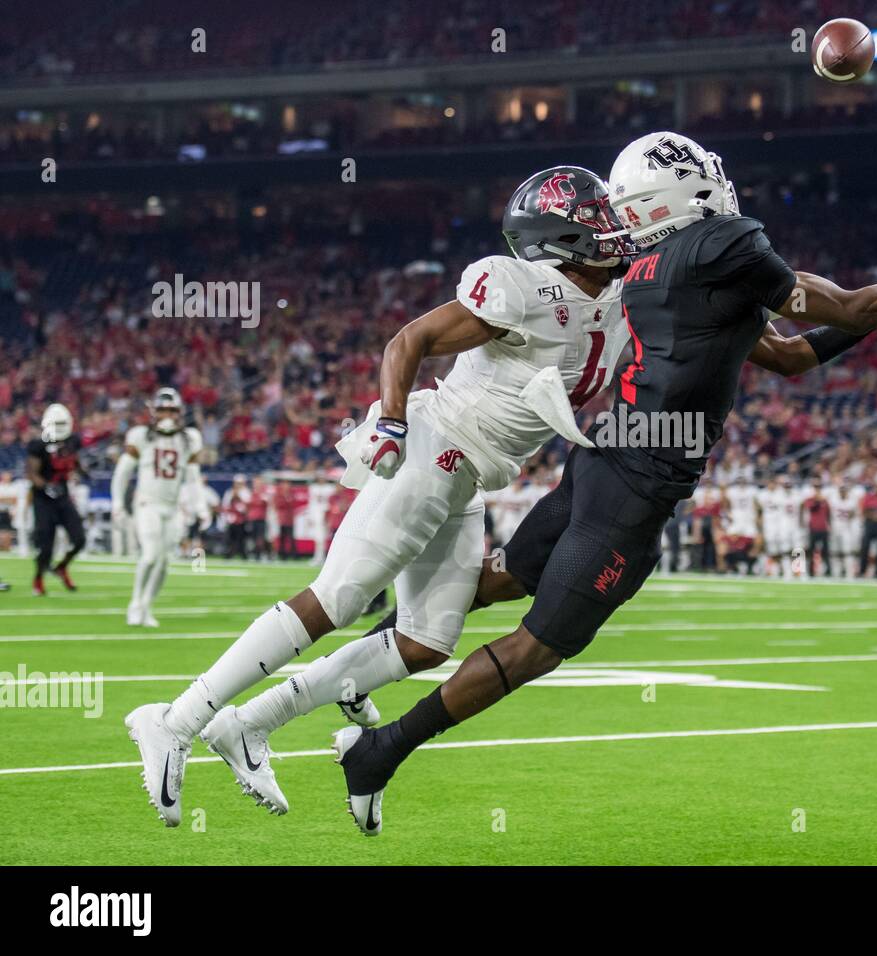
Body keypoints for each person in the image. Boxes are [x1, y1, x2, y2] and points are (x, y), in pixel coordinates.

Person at [333, 130, 877, 835]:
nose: (716, 176)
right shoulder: (729, 245)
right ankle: (380, 751)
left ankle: (359, 665)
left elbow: (796, 356)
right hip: (637, 490)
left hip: (599, 461)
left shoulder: (656, 262)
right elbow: (843, 310)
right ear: (681, 190)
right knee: (537, 647)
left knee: (501, 579)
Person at [125, 165, 636, 826]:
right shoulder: (524, 285)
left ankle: (250, 723)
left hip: (472, 473)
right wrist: (391, 421)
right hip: (437, 441)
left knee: (427, 639)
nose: (609, 228)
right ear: (557, 236)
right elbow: (410, 340)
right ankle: (175, 719)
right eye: (593, 218)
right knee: (338, 595)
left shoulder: (624, 295)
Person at [111, 387, 209, 627]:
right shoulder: (141, 435)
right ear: (154, 411)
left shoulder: (189, 439)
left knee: (165, 561)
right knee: (151, 555)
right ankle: (135, 603)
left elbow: (193, 478)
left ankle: (146, 606)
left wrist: (201, 506)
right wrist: (117, 503)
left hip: (173, 507)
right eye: (162, 409)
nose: (167, 414)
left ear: (179, 412)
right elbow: (122, 473)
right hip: (147, 503)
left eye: (171, 410)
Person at [28, 403, 85, 596]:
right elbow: (32, 472)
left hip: (63, 496)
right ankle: (38, 578)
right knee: (46, 546)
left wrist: (81, 469)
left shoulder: (71, 442)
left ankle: (62, 567)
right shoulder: (39, 445)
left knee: (79, 539)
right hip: (43, 500)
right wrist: (45, 486)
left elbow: (73, 460)